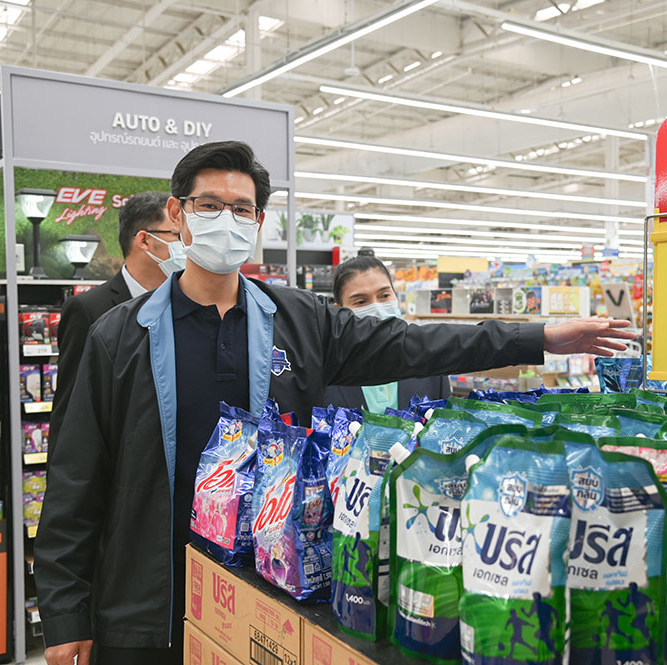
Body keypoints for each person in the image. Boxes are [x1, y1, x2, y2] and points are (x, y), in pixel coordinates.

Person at [35, 140, 633, 665]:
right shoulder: (121, 333)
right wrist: (65, 614)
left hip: (262, 590)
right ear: (177, 213)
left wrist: (539, 337)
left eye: (241, 209)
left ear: (258, 222)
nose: (226, 219)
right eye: (208, 205)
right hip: (145, 602)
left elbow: (413, 343)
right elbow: (75, 476)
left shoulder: (299, 320)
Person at [49, 191, 183, 458]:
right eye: (177, 236)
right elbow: (71, 411)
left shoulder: (187, 305)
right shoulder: (89, 310)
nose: (186, 246)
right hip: (118, 465)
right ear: (145, 240)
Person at [323, 254, 450, 412]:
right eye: (361, 302)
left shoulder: (429, 364)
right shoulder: (323, 373)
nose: (377, 308)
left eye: (384, 296)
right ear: (338, 311)